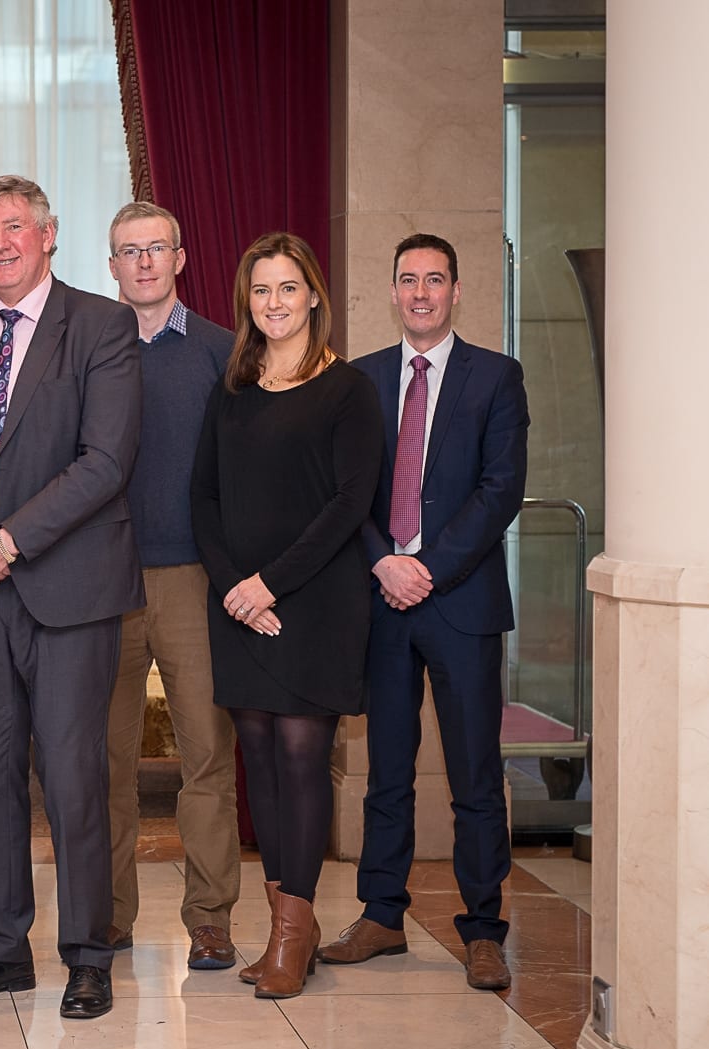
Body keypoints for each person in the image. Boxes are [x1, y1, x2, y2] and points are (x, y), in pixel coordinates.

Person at [0, 175, 143, 1021]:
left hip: (68, 590)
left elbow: (105, 459)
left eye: (14, 226)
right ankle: (0, 948)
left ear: (49, 233)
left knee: (71, 779)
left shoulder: (101, 324)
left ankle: (89, 953)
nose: (0, 242)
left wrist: (8, 542)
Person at [320, 233, 529, 991]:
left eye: (434, 279)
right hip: (381, 601)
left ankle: (482, 928)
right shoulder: (362, 379)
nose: (420, 293)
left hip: (462, 602)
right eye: (407, 279)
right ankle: (381, 913)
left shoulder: (497, 378)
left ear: (457, 289)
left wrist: (429, 569)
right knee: (387, 772)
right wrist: (383, 560)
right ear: (393, 289)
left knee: (475, 774)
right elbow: (351, 489)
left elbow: (499, 489)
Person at [190, 231, 382, 999]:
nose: (274, 303)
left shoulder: (349, 390)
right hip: (239, 604)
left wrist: (270, 585)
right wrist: (237, 586)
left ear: (313, 297)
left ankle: (292, 942)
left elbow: (348, 505)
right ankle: (279, 928)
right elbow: (202, 496)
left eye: (287, 288)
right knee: (259, 764)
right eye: (261, 290)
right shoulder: (231, 385)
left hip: (317, 604)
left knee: (303, 762)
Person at [102, 202, 241, 967]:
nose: (145, 262)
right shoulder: (88, 348)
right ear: (111, 266)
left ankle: (211, 918)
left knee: (206, 754)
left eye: (157, 248)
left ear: (181, 258)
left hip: (194, 578)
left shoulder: (225, 352)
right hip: (104, 582)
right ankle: (110, 917)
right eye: (129, 250)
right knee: (103, 761)